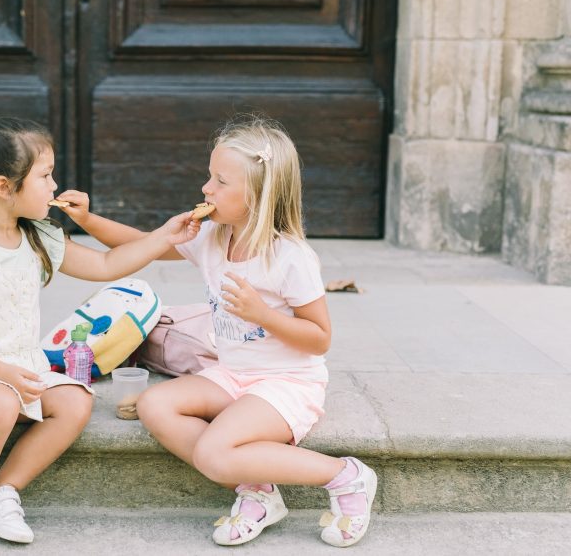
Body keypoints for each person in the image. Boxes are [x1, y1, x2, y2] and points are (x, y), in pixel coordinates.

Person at [57, 115, 377, 548]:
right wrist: (88, 219)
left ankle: (346, 476)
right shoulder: (211, 236)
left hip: (286, 383)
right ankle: (258, 492)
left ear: (259, 195)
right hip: (233, 374)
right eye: (210, 176)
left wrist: (262, 314)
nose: (207, 188)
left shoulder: (290, 257)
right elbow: (142, 242)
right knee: (155, 405)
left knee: (212, 453)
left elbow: (319, 337)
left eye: (220, 181)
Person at [0, 116, 200, 556]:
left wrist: (162, 237)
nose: (54, 185)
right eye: (45, 176)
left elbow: (105, 267)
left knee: (75, 400)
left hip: (20, 368)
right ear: (4, 187)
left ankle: (1, 491)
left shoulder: (36, 235)